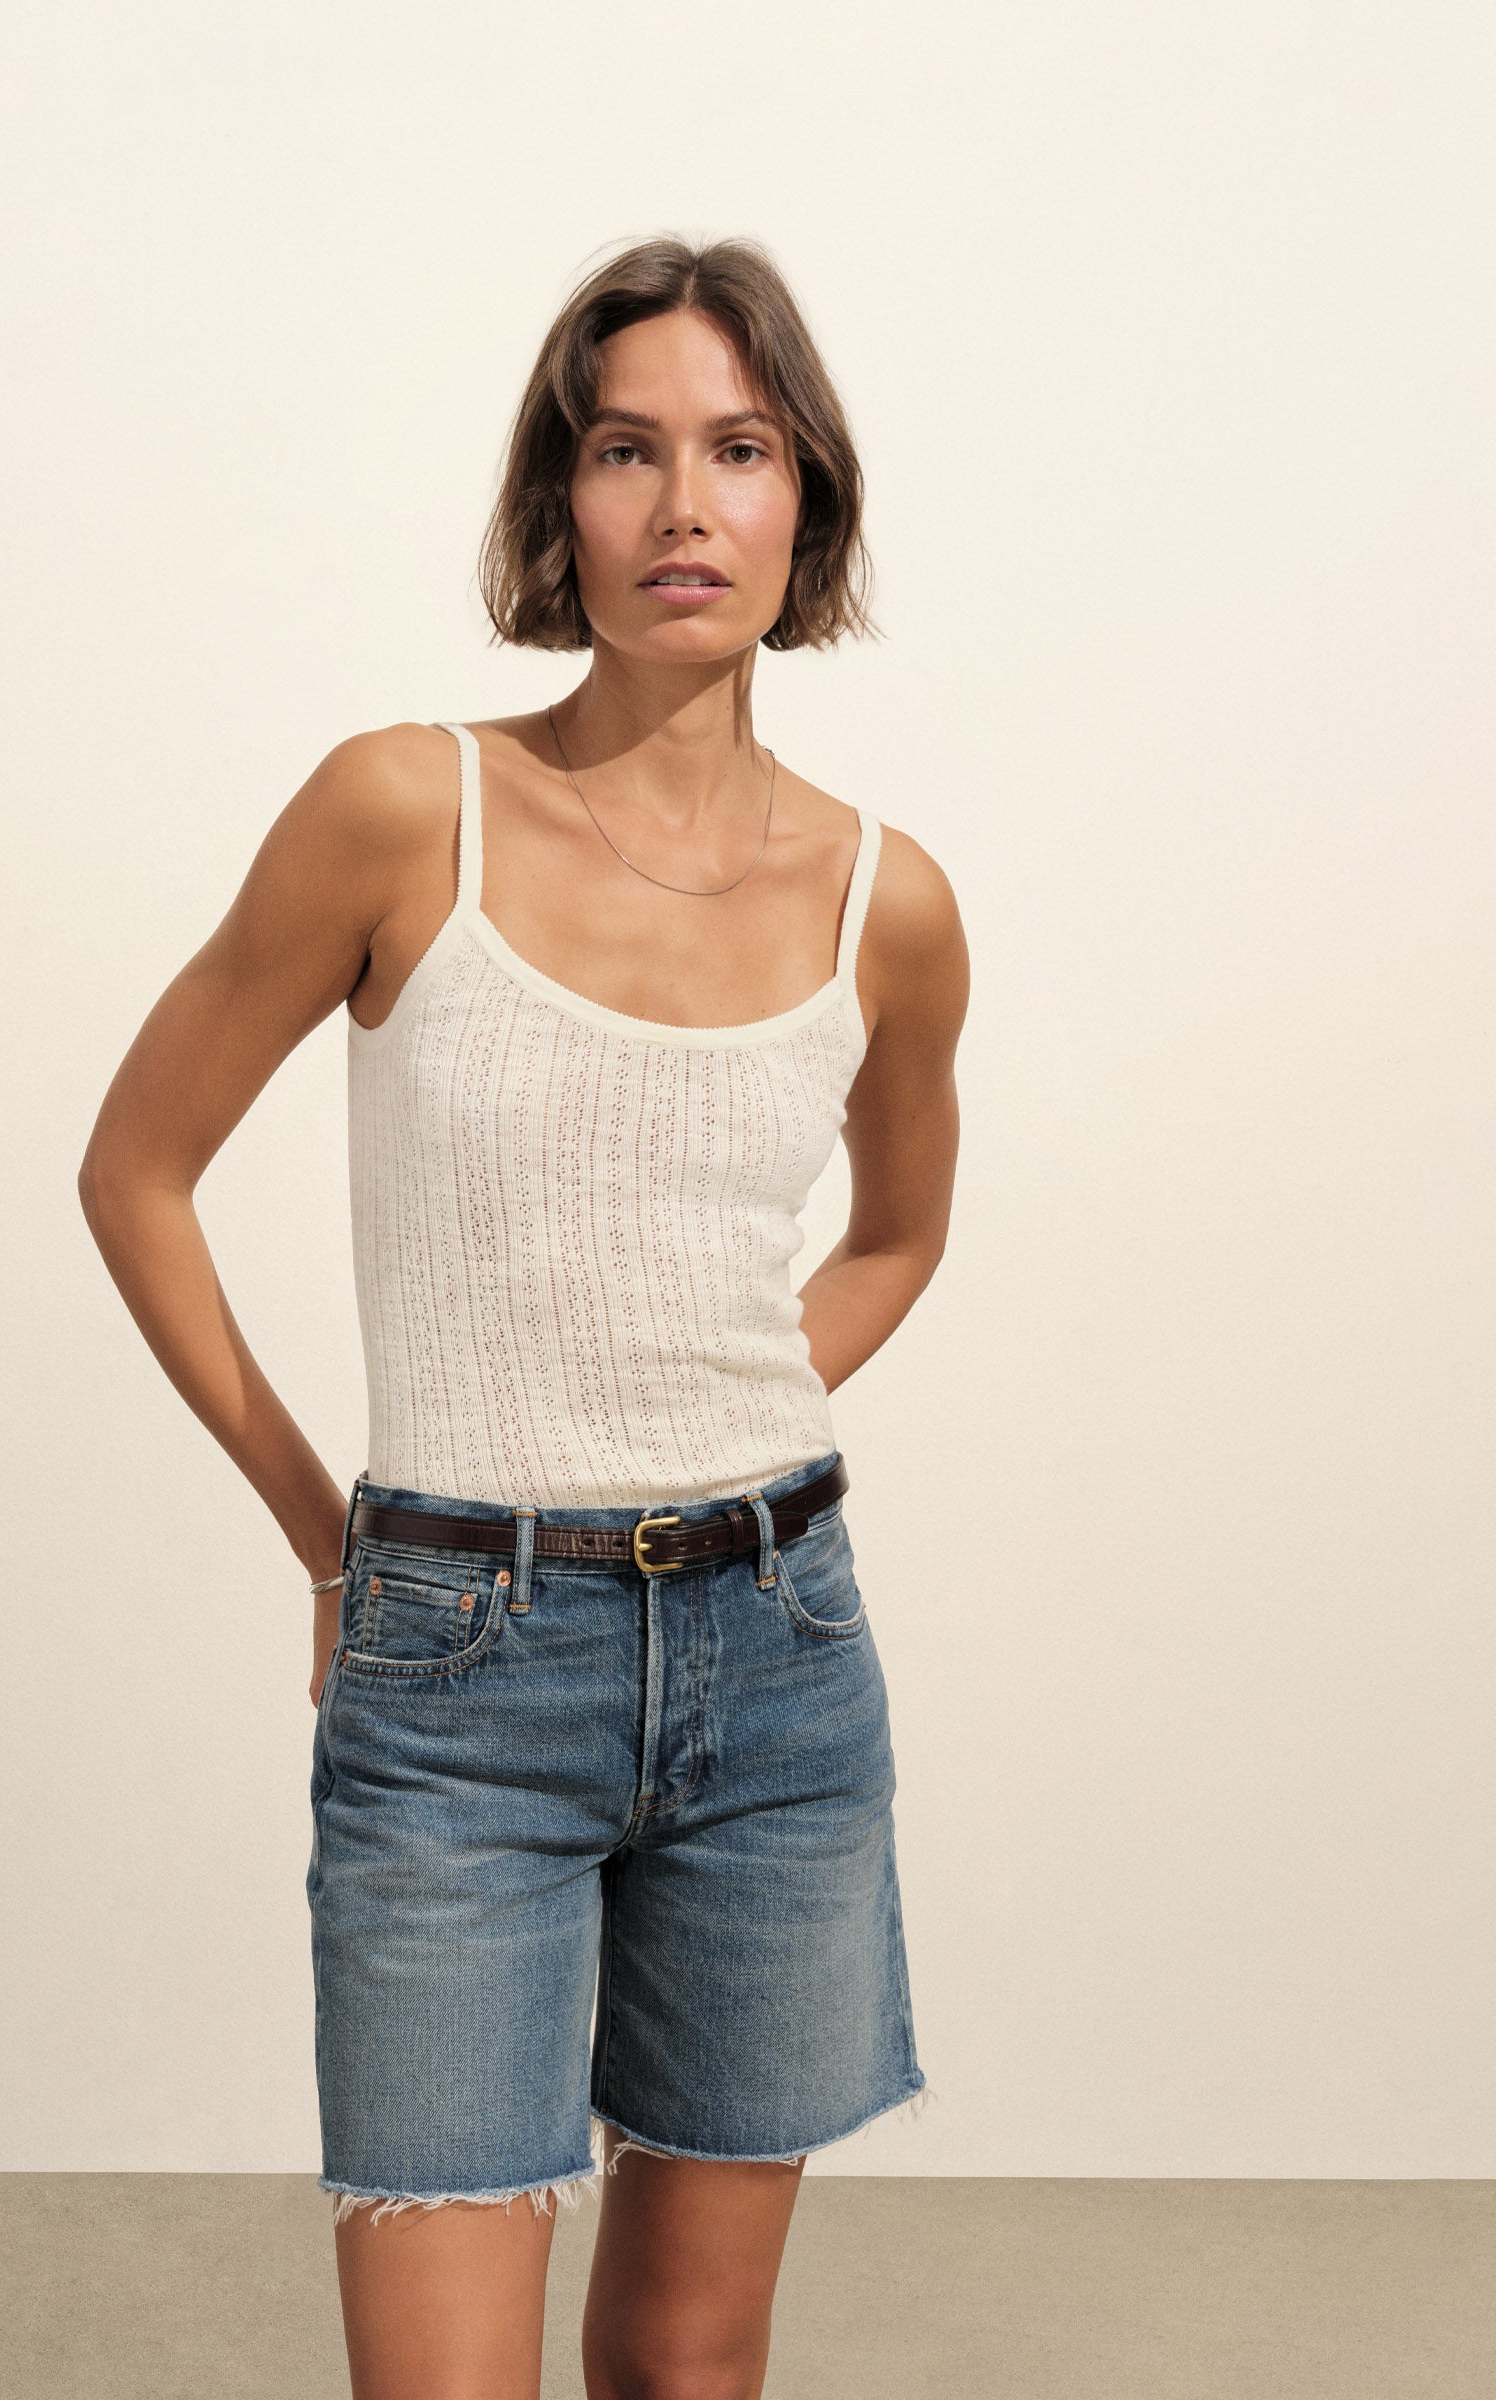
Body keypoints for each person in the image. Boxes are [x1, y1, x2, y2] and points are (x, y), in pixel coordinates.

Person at [78, 233, 969, 2400]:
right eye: (626, 450)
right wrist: (330, 1540)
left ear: (808, 502)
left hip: (780, 1665)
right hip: (457, 1674)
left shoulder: (891, 903)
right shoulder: (408, 812)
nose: (685, 507)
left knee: (685, 2366)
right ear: (558, 502)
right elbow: (137, 1170)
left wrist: (697, 1393)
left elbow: (893, 1240)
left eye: (739, 450)